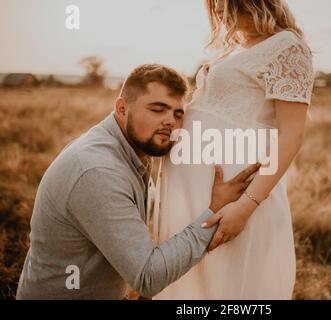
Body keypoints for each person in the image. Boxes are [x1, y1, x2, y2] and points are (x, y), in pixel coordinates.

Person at [16, 64, 260, 299]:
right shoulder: (97, 171)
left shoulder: (132, 151)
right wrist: (214, 209)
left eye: (177, 114)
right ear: (122, 109)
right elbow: (147, 276)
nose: (170, 122)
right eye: (157, 109)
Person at [153, 0, 314, 299]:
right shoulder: (235, 49)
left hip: (237, 197)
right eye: (214, 7)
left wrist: (246, 206)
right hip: (194, 193)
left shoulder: (286, 45)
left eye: (224, 6)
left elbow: (292, 134)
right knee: (194, 285)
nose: (217, 14)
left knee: (229, 285)